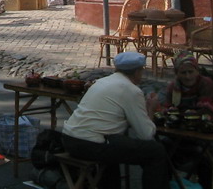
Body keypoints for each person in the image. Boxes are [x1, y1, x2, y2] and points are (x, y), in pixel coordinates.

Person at [61, 52, 169, 189]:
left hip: (69, 139)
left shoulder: (101, 82)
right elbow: (146, 134)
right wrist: (151, 109)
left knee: (117, 145)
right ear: (137, 72)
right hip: (90, 145)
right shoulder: (131, 90)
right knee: (156, 151)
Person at [155, 52, 213, 186]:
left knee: (203, 156)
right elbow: (168, 108)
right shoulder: (173, 87)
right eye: (183, 73)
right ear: (177, 73)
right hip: (180, 132)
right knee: (162, 151)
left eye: (190, 72)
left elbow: (206, 110)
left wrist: (186, 114)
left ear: (197, 71)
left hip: (203, 130)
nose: (188, 76)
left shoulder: (206, 84)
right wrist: (169, 111)